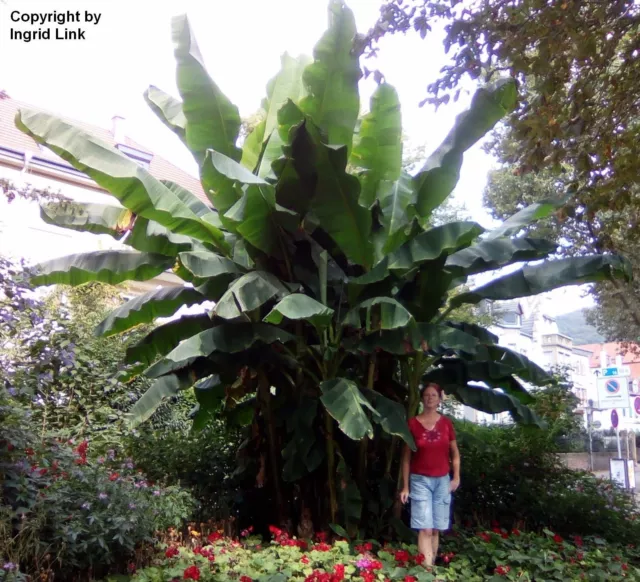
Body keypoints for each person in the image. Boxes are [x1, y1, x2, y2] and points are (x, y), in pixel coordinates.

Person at [400, 382, 461, 566]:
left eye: (433, 395)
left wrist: (456, 477)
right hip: (419, 480)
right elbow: (406, 459)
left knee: (435, 529)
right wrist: (405, 487)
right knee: (425, 529)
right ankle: (426, 572)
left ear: (439, 399)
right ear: (422, 398)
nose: (430, 398)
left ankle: (431, 567)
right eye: (426, 395)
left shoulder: (446, 424)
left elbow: (455, 454)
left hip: (442, 481)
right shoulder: (412, 424)